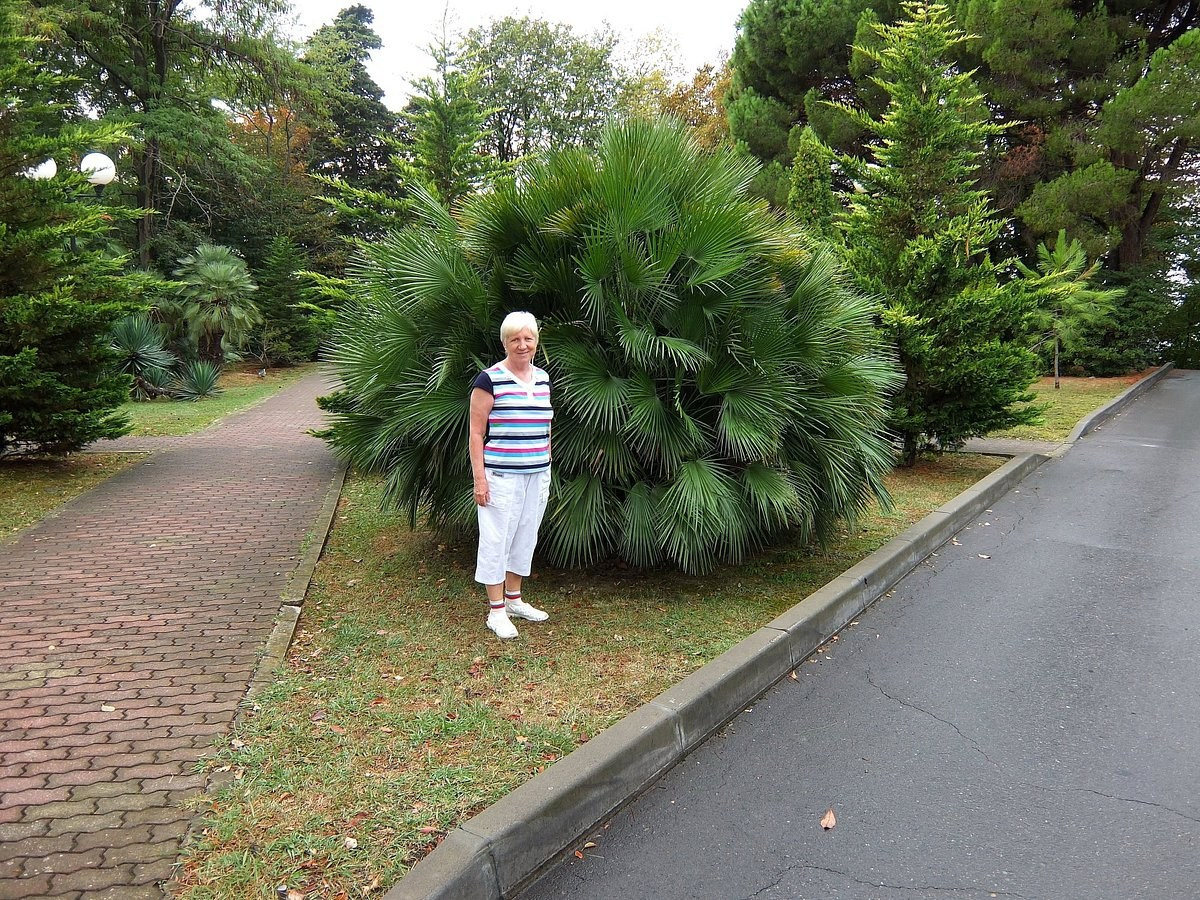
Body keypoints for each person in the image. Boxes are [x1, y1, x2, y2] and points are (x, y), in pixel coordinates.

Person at [469, 311, 553, 639]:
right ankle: (496, 611)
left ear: (535, 341)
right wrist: (480, 479)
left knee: (525, 537)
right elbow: (476, 434)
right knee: (496, 540)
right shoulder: (488, 379)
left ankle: (515, 599)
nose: (522, 345)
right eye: (514, 339)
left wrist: (546, 460)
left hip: (536, 474)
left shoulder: (543, 378)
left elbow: (545, 424)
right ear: (505, 342)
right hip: (500, 476)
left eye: (527, 338)